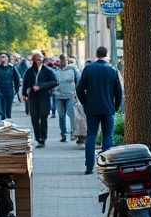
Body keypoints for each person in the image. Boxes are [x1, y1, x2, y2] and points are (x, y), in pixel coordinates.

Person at [76, 46, 123, 175]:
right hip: (108, 108)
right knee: (108, 136)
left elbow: (79, 89)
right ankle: (105, 166)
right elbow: (118, 91)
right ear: (106, 54)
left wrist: (85, 102)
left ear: (96, 54)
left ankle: (89, 166)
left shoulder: (88, 68)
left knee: (91, 135)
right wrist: (116, 106)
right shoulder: (112, 70)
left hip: (92, 108)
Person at [22, 51, 58, 147]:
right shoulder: (29, 71)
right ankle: (38, 138)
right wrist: (24, 94)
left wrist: (41, 86)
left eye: (41, 59)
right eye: (37, 59)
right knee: (34, 117)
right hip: (33, 97)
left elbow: (55, 81)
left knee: (43, 116)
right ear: (34, 60)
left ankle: (43, 138)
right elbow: (25, 83)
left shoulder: (48, 70)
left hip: (44, 96)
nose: (39, 61)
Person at [53, 57, 80, 142]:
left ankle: (73, 133)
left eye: (64, 60)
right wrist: (54, 91)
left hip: (70, 95)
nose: (63, 62)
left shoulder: (73, 70)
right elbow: (52, 82)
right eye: (61, 60)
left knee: (72, 114)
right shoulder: (56, 71)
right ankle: (63, 134)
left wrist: (77, 91)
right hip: (59, 96)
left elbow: (78, 80)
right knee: (61, 116)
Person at [0, 52, 21, 121]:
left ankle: (9, 126)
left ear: (8, 58)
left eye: (3, 57)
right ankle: (2, 123)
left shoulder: (12, 68)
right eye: (1, 57)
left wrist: (16, 90)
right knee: (0, 110)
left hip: (10, 91)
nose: (2, 58)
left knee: (8, 110)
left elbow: (17, 79)